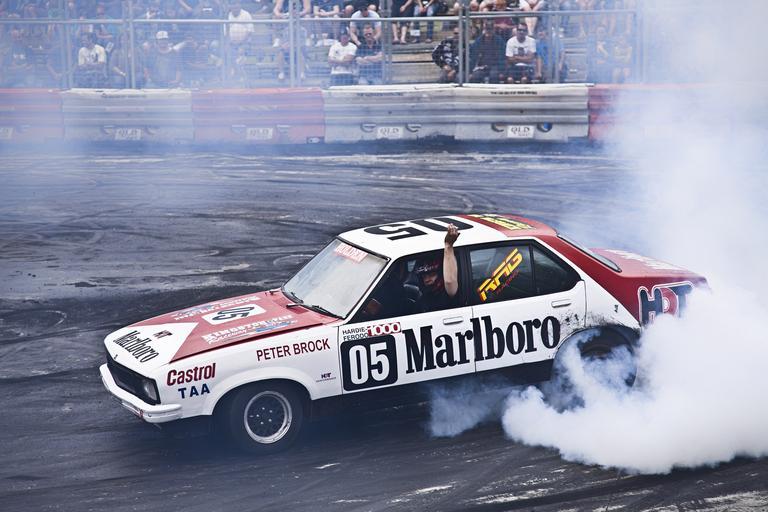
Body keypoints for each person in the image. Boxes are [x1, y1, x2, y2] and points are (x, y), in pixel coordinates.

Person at [413, 224, 460, 312]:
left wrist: (448, 246)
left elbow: (450, 282)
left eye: (431, 274)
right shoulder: (422, 300)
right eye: (424, 276)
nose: (427, 279)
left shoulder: (448, 293)